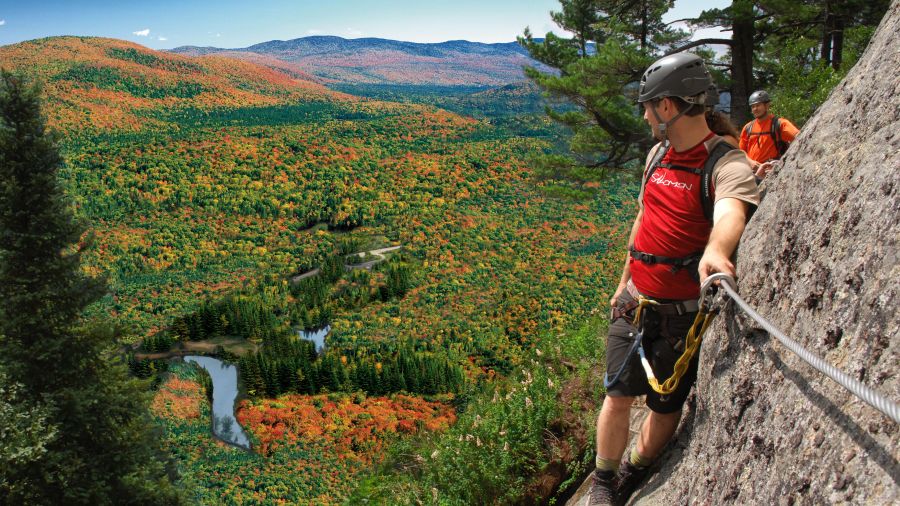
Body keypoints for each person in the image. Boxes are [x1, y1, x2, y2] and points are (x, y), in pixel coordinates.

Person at [589, 53, 760, 505]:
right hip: (636, 300)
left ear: (667, 108)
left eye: (647, 106)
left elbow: (730, 209)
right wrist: (623, 281)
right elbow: (644, 218)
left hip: (680, 317)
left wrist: (718, 249)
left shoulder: (726, 164)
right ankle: (603, 482)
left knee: (665, 406)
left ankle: (633, 468)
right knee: (618, 395)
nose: (645, 116)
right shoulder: (657, 155)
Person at [739, 90, 800, 180]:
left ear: (767, 105)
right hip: (752, 173)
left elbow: (800, 138)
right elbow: (740, 151)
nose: (755, 109)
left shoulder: (780, 124)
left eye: (758, 105)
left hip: (771, 172)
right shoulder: (748, 128)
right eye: (752, 107)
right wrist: (751, 163)